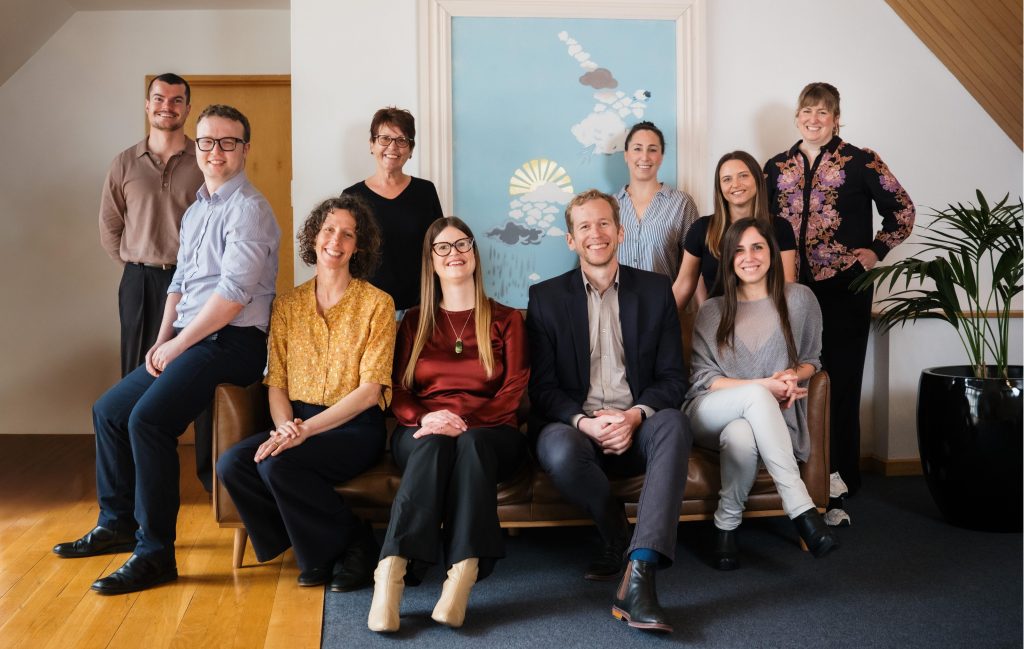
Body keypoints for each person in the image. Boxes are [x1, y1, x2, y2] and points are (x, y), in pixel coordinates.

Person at [53, 104, 280, 595]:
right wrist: (161, 340)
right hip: (191, 335)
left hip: (233, 340)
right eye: (207, 142)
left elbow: (232, 297)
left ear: (244, 149)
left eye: (227, 142)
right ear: (196, 148)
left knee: (148, 421)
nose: (215, 151)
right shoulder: (197, 209)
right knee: (109, 412)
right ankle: (116, 523)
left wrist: (179, 343)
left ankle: (155, 553)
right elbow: (180, 281)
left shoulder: (250, 210)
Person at [527, 189, 691, 633]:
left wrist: (634, 416)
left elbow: (673, 379)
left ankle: (640, 573)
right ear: (570, 239)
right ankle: (616, 532)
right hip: (575, 427)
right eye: (584, 226)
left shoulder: (655, 291)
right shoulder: (545, 298)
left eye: (604, 224)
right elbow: (542, 388)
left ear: (620, 232)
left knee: (675, 424)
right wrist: (585, 422)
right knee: (558, 449)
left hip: (637, 424)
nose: (595, 234)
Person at [217, 194, 396, 591]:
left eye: (348, 234)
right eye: (329, 230)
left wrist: (305, 432)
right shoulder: (286, 305)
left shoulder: (377, 304)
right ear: (314, 236)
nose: (336, 240)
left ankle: (347, 545)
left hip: (354, 426)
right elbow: (277, 382)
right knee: (232, 464)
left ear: (358, 246)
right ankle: (327, 543)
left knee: (277, 466)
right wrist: (286, 429)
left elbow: (370, 392)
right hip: (296, 418)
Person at [368, 217, 528, 632]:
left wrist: (466, 422)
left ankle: (461, 577)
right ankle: (389, 575)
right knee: (434, 443)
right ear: (431, 261)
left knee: (472, 445)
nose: (454, 253)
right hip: (423, 429)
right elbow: (398, 389)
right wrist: (426, 417)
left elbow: (514, 389)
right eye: (442, 247)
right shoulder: (414, 321)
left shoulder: (507, 319)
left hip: (492, 431)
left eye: (462, 244)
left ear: (474, 252)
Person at [764, 83, 915, 518]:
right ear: (797, 117)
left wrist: (876, 250)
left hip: (845, 288)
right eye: (807, 111)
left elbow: (902, 210)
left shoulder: (861, 160)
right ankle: (795, 473)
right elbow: (760, 221)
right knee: (791, 380)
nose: (814, 119)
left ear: (835, 118)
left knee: (842, 381)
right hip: (790, 290)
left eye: (823, 112)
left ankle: (842, 475)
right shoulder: (775, 167)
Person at [685, 218, 839, 570]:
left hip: (764, 417)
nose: (749, 257)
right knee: (755, 397)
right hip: (707, 411)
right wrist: (763, 387)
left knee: (741, 433)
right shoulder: (712, 310)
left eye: (757, 247)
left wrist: (791, 376)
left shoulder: (799, 299)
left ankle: (725, 526)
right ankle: (801, 509)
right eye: (739, 250)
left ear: (771, 251)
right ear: (728, 258)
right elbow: (704, 379)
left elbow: (812, 360)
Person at [99, 73, 204, 378]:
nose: (167, 106)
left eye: (176, 100)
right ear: (147, 105)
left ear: (187, 108)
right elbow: (110, 227)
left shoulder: (203, 161)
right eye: (159, 99)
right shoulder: (124, 163)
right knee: (136, 368)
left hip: (191, 281)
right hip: (139, 281)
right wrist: (137, 265)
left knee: (189, 366)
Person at [344, 107, 444, 313]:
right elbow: (345, 255)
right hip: (368, 309)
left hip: (419, 308)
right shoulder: (351, 196)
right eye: (384, 139)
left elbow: (438, 247)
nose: (392, 147)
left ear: (411, 149)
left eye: (401, 140)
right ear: (372, 144)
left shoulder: (425, 191)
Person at [673, 151, 796, 309]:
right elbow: (683, 285)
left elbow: (786, 285)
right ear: (720, 187)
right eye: (727, 179)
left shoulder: (781, 228)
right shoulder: (701, 229)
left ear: (757, 179)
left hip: (767, 318)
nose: (736, 184)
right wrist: (660, 321)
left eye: (743, 176)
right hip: (719, 320)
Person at [614, 121, 699, 280]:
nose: (644, 157)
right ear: (626, 155)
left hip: (666, 296)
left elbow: (693, 268)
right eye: (637, 149)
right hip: (617, 296)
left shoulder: (681, 203)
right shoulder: (609, 206)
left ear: (661, 157)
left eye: (652, 150)